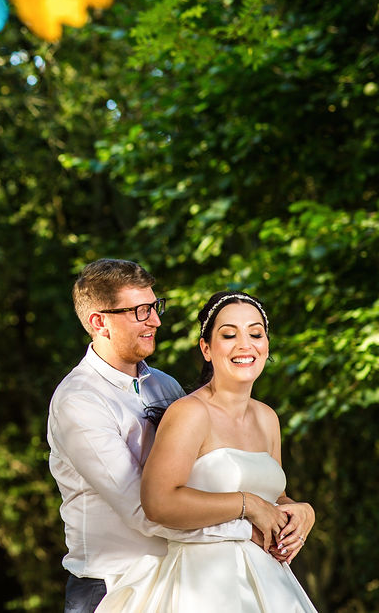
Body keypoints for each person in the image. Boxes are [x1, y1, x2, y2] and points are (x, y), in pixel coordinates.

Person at [48, 260, 253, 613]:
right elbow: (146, 510)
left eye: (154, 307)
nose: (155, 320)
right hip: (111, 588)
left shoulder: (165, 385)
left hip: (182, 577)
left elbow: (202, 476)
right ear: (100, 322)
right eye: (140, 311)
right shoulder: (79, 402)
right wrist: (248, 528)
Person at [95, 291, 317, 612]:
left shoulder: (267, 418)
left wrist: (300, 511)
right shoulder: (190, 413)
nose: (245, 344)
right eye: (229, 335)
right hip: (202, 584)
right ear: (207, 349)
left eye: (255, 333)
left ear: (266, 346)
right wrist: (247, 504)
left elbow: (275, 496)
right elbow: (158, 503)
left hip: (270, 582)